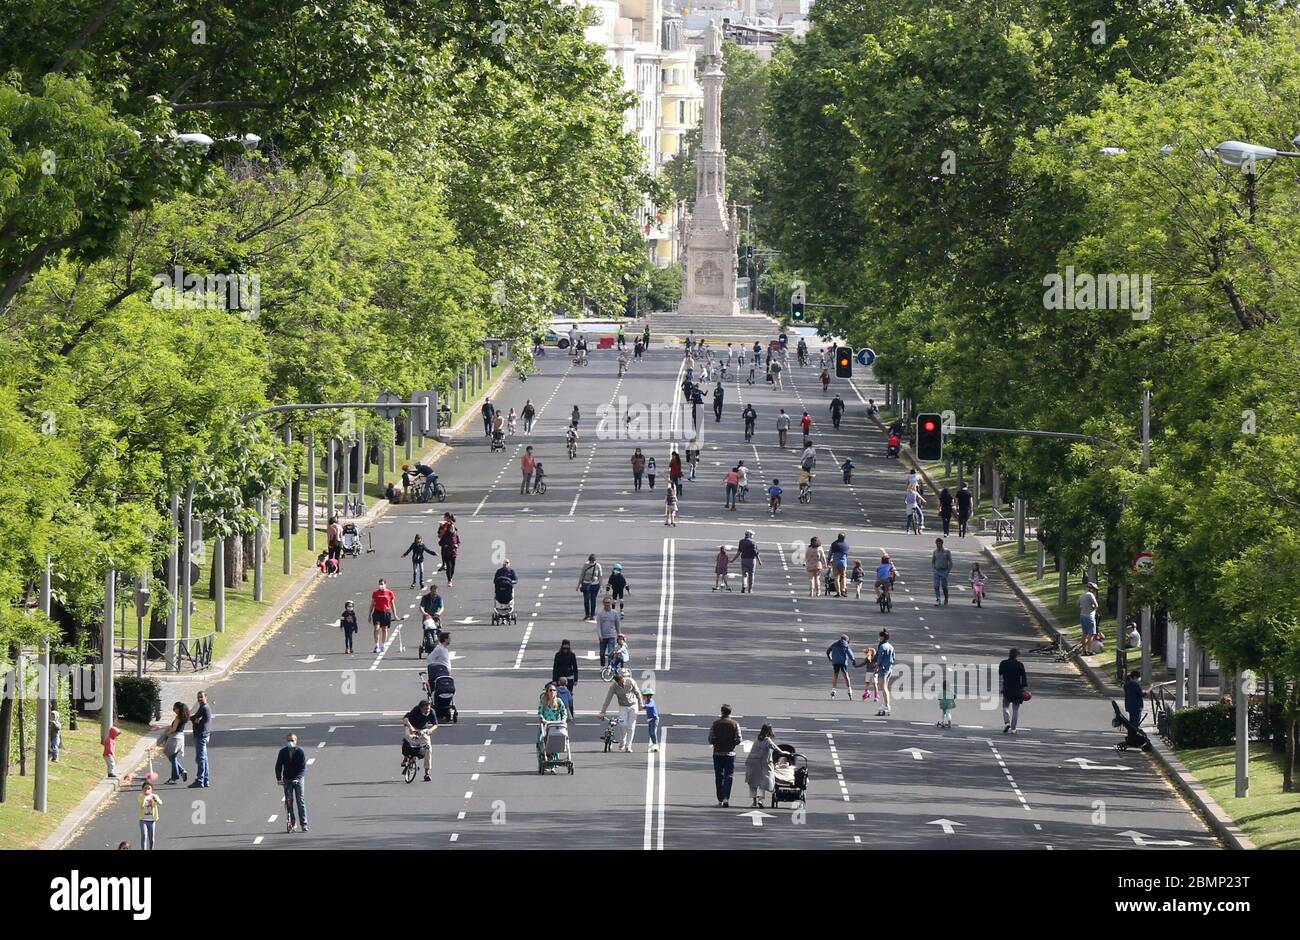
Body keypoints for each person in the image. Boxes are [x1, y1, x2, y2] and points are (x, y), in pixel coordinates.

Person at [598, 670, 644, 751]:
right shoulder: (614, 686)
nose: (622, 683)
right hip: (623, 706)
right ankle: (623, 740)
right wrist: (602, 712)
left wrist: (640, 704)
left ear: (623, 678)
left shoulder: (630, 681)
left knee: (630, 726)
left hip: (633, 705)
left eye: (622, 681)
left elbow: (638, 693)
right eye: (620, 683)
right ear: (616, 682)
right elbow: (608, 699)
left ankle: (628, 746)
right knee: (622, 724)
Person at [708, 704, 742, 808]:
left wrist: (716, 742)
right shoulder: (735, 724)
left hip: (717, 753)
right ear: (730, 712)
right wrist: (731, 744)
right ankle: (726, 797)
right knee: (729, 776)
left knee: (719, 776)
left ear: (722, 712)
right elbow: (739, 739)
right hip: (730, 753)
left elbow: (710, 738)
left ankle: (720, 798)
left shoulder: (716, 724)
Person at [275, 733, 309, 831]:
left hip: (298, 779)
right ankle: (292, 823)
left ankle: (304, 824)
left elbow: (302, 768)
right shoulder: (283, 752)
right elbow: (278, 766)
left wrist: (297, 778)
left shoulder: (300, 752)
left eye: (292, 740)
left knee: (300, 800)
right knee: (289, 802)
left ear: (296, 741)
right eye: (289, 740)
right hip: (287, 779)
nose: (291, 742)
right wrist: (279, 778)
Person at [745, 724, 782, 808]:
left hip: (752, 762)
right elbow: (775, 748)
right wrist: (785, 753)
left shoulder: (758, 739)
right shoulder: (767, 740)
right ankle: (760, 800)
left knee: (753, 782)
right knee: (763, 781)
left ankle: (754, 801)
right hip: (762, 763)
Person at [403, 698, 439, 782]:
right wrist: (411, 727)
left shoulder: (432, 712)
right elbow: (405, 719)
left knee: (428, 748)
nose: (427, 710)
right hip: (412, 727)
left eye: (428, 708)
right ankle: (405, 756)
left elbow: (435, 725)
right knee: (408, 740)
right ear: (421, 708)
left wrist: (430, 730)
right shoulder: (416, 710)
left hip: (423, 730)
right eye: (425, 709)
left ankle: (427, 773)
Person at [998, 648, 1028, 734]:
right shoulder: (1020, 665)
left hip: (1007, 688)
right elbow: (1024, 678)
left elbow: (1000, 673)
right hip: (1017, 689)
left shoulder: (1003, 663)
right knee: (1016, 709)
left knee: (1005, 706)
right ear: (1017, 655)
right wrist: (1023, 688)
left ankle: (1007, 722)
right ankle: (1013, 729)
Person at [160, 701, 189, 784]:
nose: (173, 710)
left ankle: (174, 778)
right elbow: (172, 726)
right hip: (180, 738)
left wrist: (166, 734)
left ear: (179, 709)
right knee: (172, 757)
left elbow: (173, 729)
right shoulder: (184, 717)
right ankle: (182, 771)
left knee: (172, 757)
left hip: (175, 738)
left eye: (174, 708)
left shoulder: (178, 718)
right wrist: (160, 727)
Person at [190, 690, 212, 789]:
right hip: (204, 734)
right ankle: (205, 780)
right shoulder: (203, 707)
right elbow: (196, 719)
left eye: (201, 697)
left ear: (206, 697)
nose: (199, 699)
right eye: (198, 697)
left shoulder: (204, 708)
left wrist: (194, 720)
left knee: (201, 758)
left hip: (201, 735)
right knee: (204, 758)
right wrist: (195, 720)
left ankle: (200, 780)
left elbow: (195, 718)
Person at [369, 578, 397, 653]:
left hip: (386, 612)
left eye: (382, 584)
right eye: (380, 584)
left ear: (385, 584)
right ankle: (376, 645)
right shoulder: (375, 593)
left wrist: (395, 615)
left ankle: (383, 645)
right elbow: (372, 604)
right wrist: (369, 615)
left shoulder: (390, 593)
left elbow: (392, 604)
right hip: (377, 612)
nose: (381, 585)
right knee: (376, 628)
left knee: (384, 629)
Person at [874, 630, 897, 716]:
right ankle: (886, 704)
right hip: (889, 669)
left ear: (882, 637)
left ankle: (887, 705)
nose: (879, 638)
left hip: (883, 669)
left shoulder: (882, 646)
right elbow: (893, 657)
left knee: (883, 687)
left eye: (880, 636)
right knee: (886, 687)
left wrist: (877, 667)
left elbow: (879, 658)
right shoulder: (891, 646)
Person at [826, 634, 855, 698]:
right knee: (846, 675)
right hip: (843, 662)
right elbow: (850, 654)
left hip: (835, 661)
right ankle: (849, 689)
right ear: (846, 640)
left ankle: (833, 689)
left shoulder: (835, 644)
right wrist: (853, 660)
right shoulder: (846, 645)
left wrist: (829, 658)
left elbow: (828, 651)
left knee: (835, 675)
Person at [578, 554, 603, 622]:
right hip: (585, 584)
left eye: (593, 561)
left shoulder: (598, 566)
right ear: (589, 560)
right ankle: (587, 614)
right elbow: (582, 575)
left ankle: (592, 615)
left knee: (593, 600)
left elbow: (600, 577)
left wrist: (601, 587)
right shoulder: (585, 565)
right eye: (591, 561)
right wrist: (578, 585)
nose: (592, 562)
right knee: (586, 600)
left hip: (595, 585)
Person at [138, 782, 162, 850]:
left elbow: (160, 803)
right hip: (143, 820)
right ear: (142, 789)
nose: (147, 790)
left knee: (152, 839)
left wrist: (155, 799)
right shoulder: (141, 796)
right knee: (144, 836)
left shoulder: (155, 796)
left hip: (152, 820)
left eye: (149, 788)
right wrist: (145, 797)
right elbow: (142, 805)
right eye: (145, 788)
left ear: (152, 789)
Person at [437, 517, 460, 585]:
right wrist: (444, 545)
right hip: (447, 553)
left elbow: (459, 542)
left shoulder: (456, 535)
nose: (452, 529)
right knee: (449, 567)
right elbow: (440, 543)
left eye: (453, 529)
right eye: (451, 528)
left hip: (454, 553)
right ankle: (449, 580)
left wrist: (457, 545)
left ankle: (451, 577)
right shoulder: (445, 535)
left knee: (453, 567)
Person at [931, 537, 953, 605]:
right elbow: (933, 561)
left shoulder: (947, 552)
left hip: (944, 571)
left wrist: (948, 571)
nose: (938, 545)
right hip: (937, 571)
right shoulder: (935, 552)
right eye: (937, 544)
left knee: (944, 586)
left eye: (939, 544)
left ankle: (946, 598)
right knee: (936, 586)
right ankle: (938, 599)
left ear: (942, 544)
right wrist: (933, 569)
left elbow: (951, 562)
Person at [643, 688, 661, 753]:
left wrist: (644, 706)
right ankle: (654, 744)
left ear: (648, 696)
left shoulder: (651, 701)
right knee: (650, 732)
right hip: (650, 719)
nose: (643, 697)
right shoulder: (647, 701)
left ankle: (656, 745)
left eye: (644, 695)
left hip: (654, 719)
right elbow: (646, 707)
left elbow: (650, 706)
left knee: (653, 732)